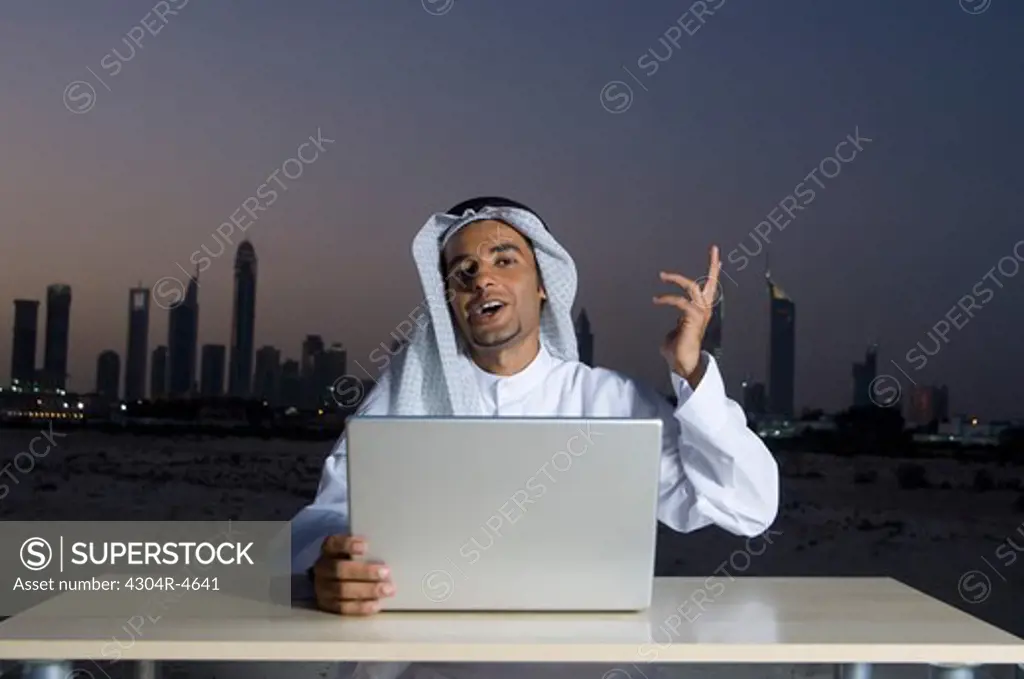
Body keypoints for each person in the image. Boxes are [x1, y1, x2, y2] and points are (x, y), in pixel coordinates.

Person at [288, 197, 779, 679]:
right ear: (450, 302)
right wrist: (324, 567)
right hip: (427, 660)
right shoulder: (404, 400)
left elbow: (750, 506)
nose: (482, 279)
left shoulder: (605, 401)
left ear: (543, 285)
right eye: (463, 272)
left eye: (504, 259)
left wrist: (691, 370)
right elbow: (323, 518)